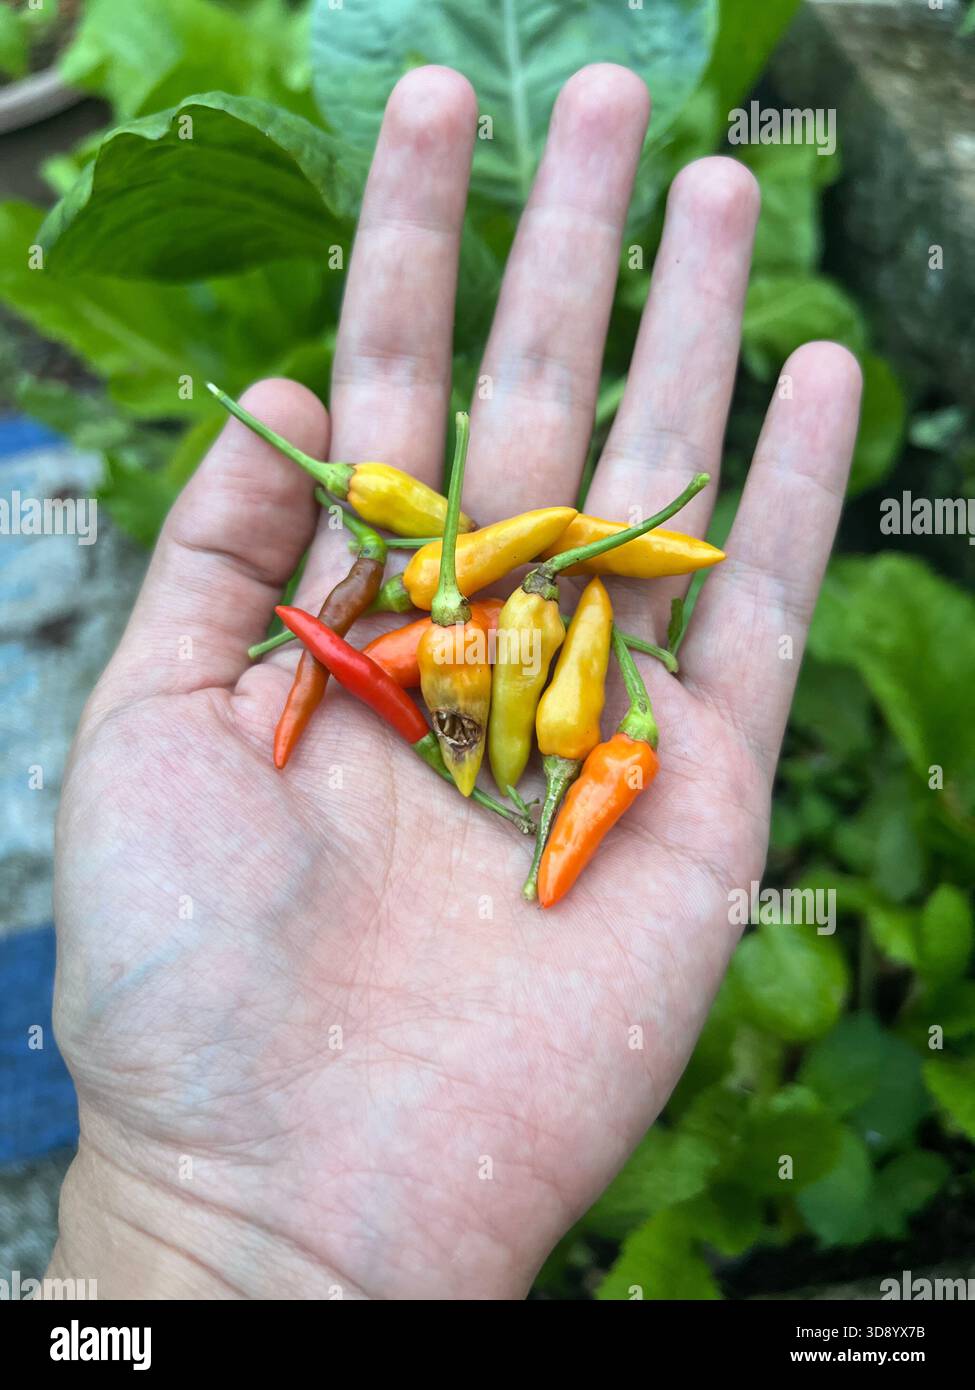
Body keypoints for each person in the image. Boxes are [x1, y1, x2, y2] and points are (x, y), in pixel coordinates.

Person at [46, 65, 861, 1300]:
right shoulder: (457, 632)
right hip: (461, 649)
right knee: (477, 669)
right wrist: (188, 1214)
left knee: (513, 678)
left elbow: (511, 633)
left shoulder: (488, 637)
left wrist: (181, 1236)